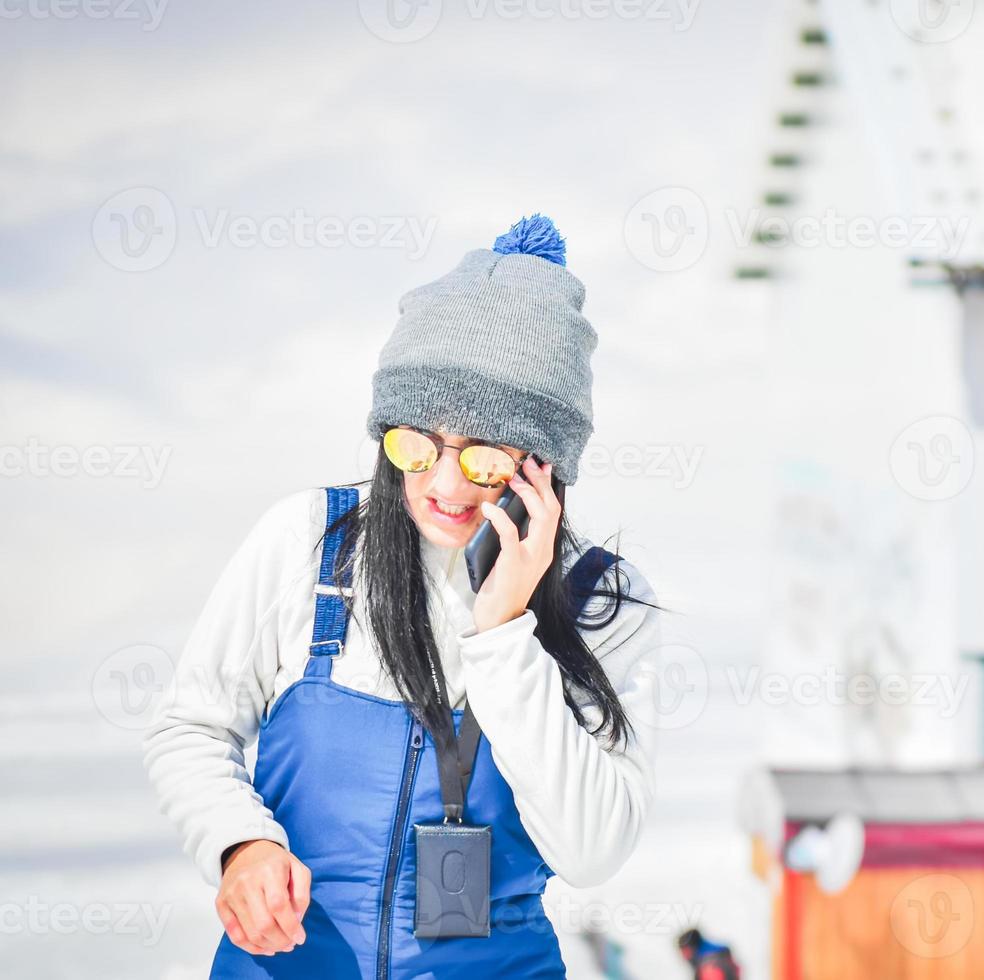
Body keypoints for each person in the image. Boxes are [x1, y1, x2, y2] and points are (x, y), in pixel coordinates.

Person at [142, 215, 663, 978]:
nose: (445, 485)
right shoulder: (310, 545)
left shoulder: (600, 603)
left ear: (543, 464)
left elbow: (591, 851)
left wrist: (505, 632)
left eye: (484, 456)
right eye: (417, 444)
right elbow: (189, 727)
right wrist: (239, 842)